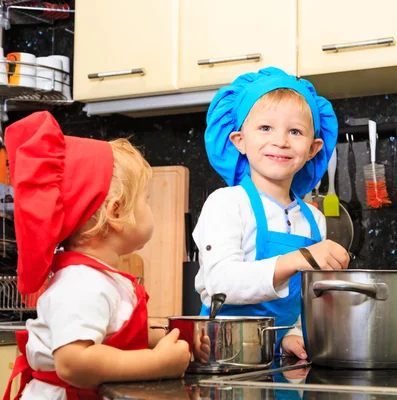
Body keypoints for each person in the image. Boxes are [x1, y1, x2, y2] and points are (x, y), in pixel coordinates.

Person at [2, 112, 190, 400]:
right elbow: (74, 363)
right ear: (117, 213)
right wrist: (158, 363)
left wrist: (164, 340)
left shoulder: (98, 278)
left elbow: (110, 336)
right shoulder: (82, 284)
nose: (150, 209)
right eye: (146, 201)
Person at [193, 67, 350, 360]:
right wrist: (296, 259)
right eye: (266, 128)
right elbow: (220, 285)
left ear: (314, 148)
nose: (281, 141)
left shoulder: (314, 220)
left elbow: (310, 298)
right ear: (239, 140)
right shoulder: (226, 204)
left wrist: (292, 335)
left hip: (280, 363)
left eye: (295, 131)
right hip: (226, 359)